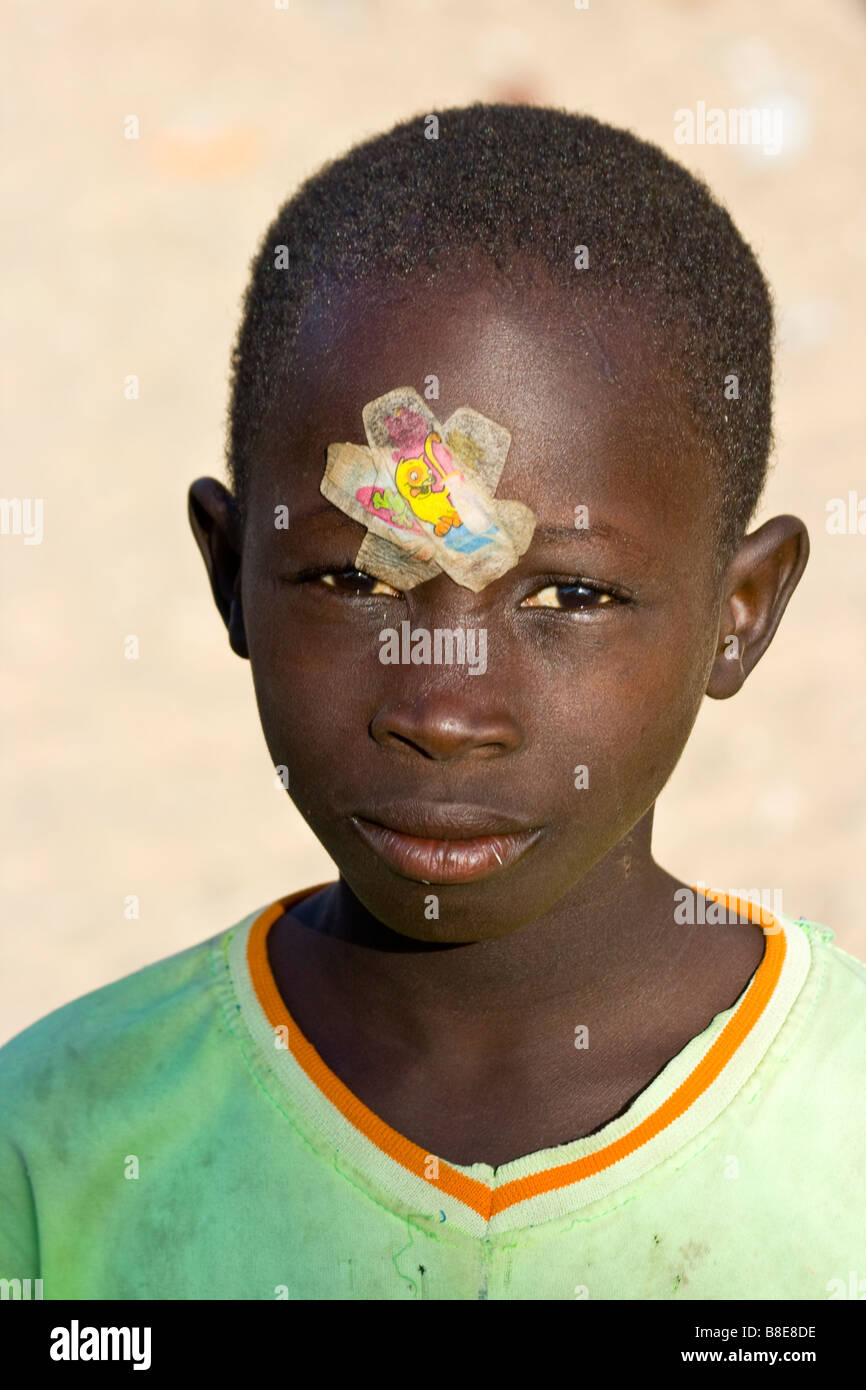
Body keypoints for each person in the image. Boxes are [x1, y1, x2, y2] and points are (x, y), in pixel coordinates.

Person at [1, 104, 863, 1301]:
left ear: (742, 609)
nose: (445, 711)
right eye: (357, 578)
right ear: (227, 574)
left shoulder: (842, 1140)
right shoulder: (53, 1144)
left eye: (567, 594)